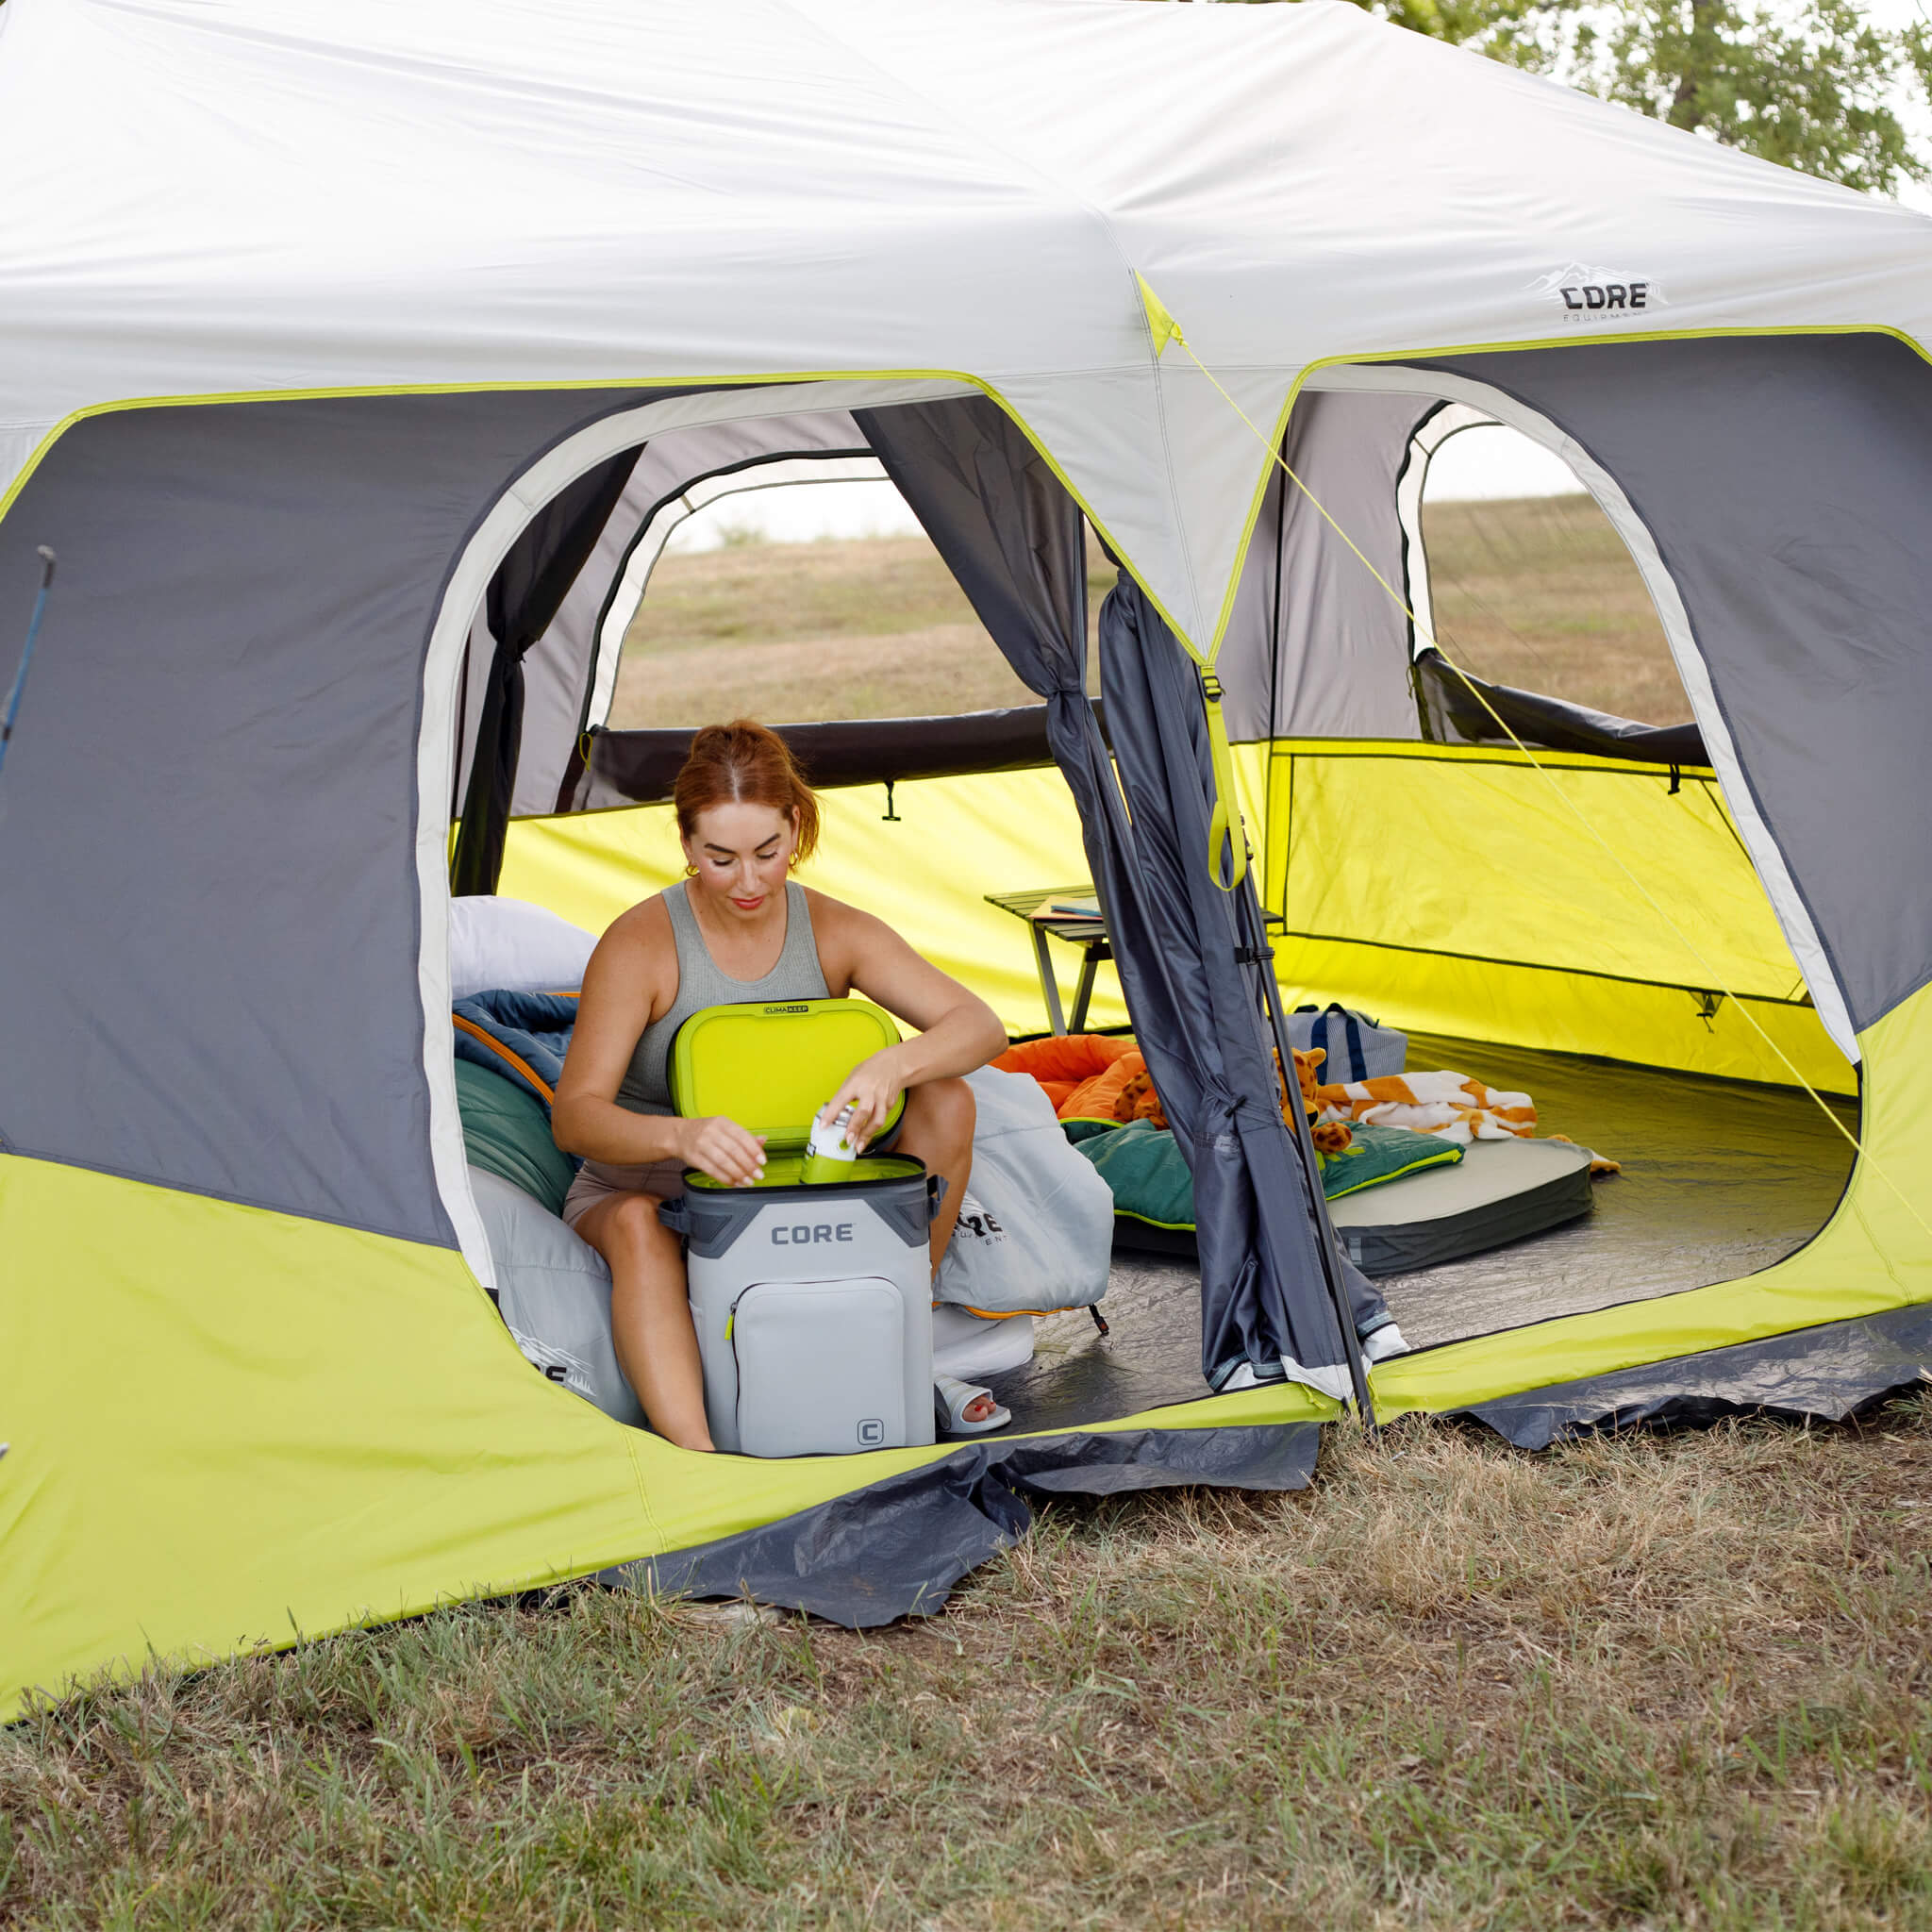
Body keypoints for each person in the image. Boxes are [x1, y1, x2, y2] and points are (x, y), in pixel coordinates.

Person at [551, 719, 1009, 1452]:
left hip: (802, 1180)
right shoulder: (640, 944)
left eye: (768, 853)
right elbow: (574, 1117)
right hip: (657, 1188)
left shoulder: (831, 927)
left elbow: (981, 1026)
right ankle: (702, 1463)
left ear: (795, 827)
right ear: (685, 845)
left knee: (949, 1097)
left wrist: (892, 1064)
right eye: (719, 858)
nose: (749, 881)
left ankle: (900, 1342)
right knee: (636, 1222)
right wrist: (682, 1136)